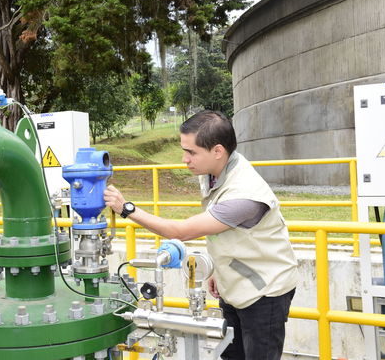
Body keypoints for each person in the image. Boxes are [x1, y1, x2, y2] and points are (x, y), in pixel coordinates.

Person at [104, 110, 298, 360]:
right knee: (231, 355)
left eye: (191, 152)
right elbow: (227, 232)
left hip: (264, 292)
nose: (184, 159)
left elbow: (180, 232)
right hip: (236, 286)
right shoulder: (217, 173)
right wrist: (219, 269)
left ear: (217, 151)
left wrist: (126, 208)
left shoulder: (244, 194)